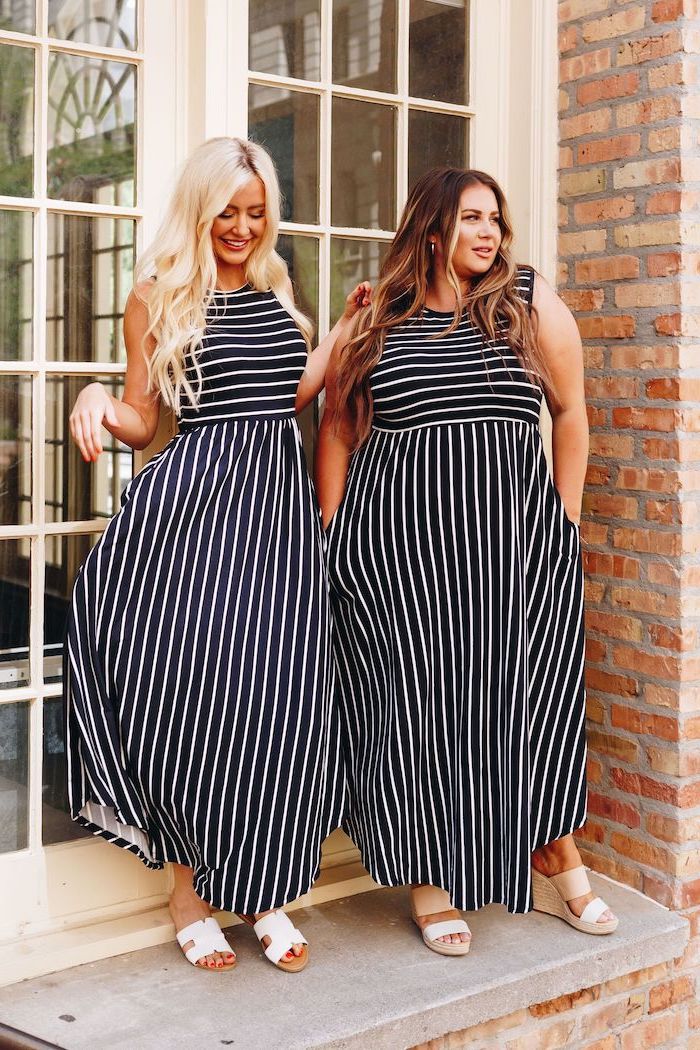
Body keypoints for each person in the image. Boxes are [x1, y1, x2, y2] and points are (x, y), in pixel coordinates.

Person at [65, 136, 368, 973]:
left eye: (255, 210)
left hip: (278, 527)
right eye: (226, 211)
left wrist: (341, 333)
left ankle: (265, 889)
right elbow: (141, 416)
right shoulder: (156, 297)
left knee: (277, 705)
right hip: (194, 520)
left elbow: (287, 397)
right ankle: (190, 893)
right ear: (201, 210)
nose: (241, 226)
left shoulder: (277, 292)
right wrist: (94, 396)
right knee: (200, 703)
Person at [316, 167, 617, 956]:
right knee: (418, 710)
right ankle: (431, 880)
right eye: (470, 217)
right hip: (400, 556)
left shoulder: (525, 300)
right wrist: (330, 526)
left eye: (495, 218)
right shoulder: (380, 315)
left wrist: (565, 519)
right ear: (431, 227)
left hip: (517, 547)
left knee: (532, 698)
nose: (488, 231)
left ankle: (553, 848)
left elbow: (572, 411)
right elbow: (340, 426)